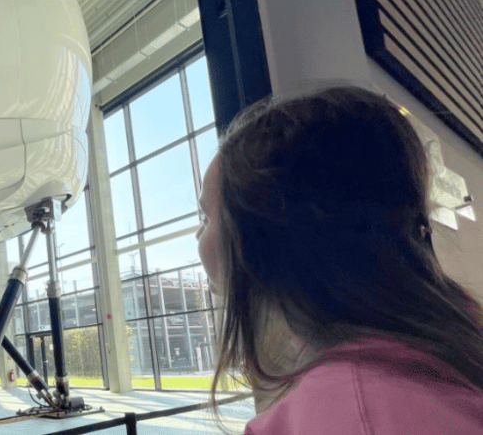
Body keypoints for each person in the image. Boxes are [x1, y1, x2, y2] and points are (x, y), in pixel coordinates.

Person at [195, 86, 483, 434]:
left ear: (266, 236)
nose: (198, 237)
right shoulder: (440, 363)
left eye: (206, 218)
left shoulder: (344, 414)